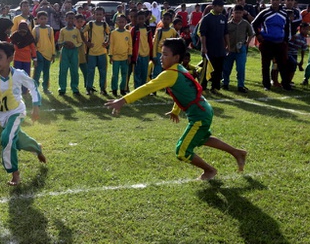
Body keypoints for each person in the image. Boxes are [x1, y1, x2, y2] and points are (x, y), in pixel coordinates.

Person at [105, 38, 247, 180]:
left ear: (176, 57)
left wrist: (122, 100)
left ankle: (210, 171)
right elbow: (183, 92)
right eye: (161, 54)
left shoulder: (170, 74)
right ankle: (237, 152)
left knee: (182, 152)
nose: (161, 58)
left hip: (199, 114)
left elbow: (147, 88)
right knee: (203, 138)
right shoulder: (178, 68)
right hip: (203, 110)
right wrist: (175, 110)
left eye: (165, 54)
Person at [0, 41, 46, 186]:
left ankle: (14, 173)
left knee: (7, 138)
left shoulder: (18, 75)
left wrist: (36, 106)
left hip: (17, 112)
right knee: (18, 139)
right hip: (1, 116)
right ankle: (36, 147)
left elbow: (33, 86)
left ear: (10, 58)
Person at [252, 0, 292, 91]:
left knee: (283, 64)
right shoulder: (264, 12)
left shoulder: (284, 13)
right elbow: (253, 24)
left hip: (280, 43)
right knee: (265, 65)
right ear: (270, 0)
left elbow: (287, 28)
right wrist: (258, 35)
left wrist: (286, 40)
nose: (275, 2)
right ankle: (266, 85)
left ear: (280, 1)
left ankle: (286, 85)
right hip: (267, 42)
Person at [222, 4, 254, 93]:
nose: (238, 15)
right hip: (230, 49)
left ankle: (240, 85)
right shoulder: (228, 24)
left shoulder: (245, 23)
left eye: (240, 13)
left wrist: (247, 44)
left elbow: (251, 34)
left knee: (241, 68)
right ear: (232, 13)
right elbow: (224, 35)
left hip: (241, 50)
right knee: (226, 68)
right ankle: (225, 83)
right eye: (236, 13)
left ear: (242, 14)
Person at [200, 0, 229, 93]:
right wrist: (204, 47)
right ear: (214, 6)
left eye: (222, 6)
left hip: (220, 48)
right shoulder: (206, 18)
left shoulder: (223, 18)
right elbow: (202, 34)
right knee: (206, 69)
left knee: (218, 69)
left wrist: (228, 45)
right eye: (219, 6)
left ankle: (215, 87)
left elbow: (226, 33)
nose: (221, 8)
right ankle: (202, 86)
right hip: (209, 48)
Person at [83, 7, 110, 95]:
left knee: (103, 71)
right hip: (92, 53)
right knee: (90, 71)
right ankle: (89, 88)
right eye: (97, 14)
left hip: (102, 52)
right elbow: (81, 32)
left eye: (100, 14)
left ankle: (103, 88)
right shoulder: (90, 24)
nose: (98, 16)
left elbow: (110, 34)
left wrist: (107, 42)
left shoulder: (105, 25)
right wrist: (86, 42)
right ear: (93, 15)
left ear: (103, 15)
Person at [58, 12, 83, 95]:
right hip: (65, 51)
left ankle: (75, 88)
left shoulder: (76, 31)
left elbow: (80, 42)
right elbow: (59, 41)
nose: (70, 20)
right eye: (69, 18)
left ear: (74, 20)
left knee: (74, 70)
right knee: (63, 70)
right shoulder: (63, 30)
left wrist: (74, 45)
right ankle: (62, 88)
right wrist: (65, 43)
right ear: (66, 19)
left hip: (74, 51)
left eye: (72, 18)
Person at [32, 11, 56, 94]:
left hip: (48, 53)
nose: (43, 20)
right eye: (41, 19)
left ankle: (45, 88)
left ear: (47, 19)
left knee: (46, 71)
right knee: (37, 71)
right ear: (38, 20)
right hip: (39, 52)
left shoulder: (50, 29)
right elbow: (33, 42)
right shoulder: (36, 29)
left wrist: (53, 53)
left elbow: (52, 41)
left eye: (45, 18)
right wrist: (34, 54)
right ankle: (35, 88)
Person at [108, 14, 132, 97]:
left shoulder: (128, 33)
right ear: (116, 22)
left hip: (125, 57)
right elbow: (111, 45)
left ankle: (123, 89)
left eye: (123, 22)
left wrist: (129, 55)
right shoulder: (113, 33)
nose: (121, 23)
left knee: (124, 74)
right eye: (119, 21)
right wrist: (111, 56)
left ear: (126, 22)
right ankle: (114, 89)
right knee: (115, 74)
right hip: (115, 57)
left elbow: (130, 45)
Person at [130, 10, 153, 89]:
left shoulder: (148, 29)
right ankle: (137, 88)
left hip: (146, 54)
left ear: (145, 19)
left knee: (144, 72)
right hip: (137, 55)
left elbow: (150, 42)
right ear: (136, 19)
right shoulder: (134, 29)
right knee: (137, 72)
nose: (141, 20)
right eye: (139, 19)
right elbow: (130, 42)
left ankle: (143, 88)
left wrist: (151, 54)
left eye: (142, 18)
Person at [152, 12, 175, 81]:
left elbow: (176, 40)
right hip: (159, 53)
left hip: (169, 54)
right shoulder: (159, 31)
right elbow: (155, 43)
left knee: (167, 70)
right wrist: (154, 55)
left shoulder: (172, 31)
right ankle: (154, 87)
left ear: (171, 20)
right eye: (164, 19)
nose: (165, 21)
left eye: (167, 19)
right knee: (157, 70)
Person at [75, 13, 88, 89]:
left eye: (81, 21)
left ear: (83, 22)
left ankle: (87, 86)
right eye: (78, 21)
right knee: (75, 72)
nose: (79, 23)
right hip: (75, 55)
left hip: (83, 54)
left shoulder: (85, 31)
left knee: (86, 71)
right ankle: (75, 87)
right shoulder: (73, 31)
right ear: (74, 22)